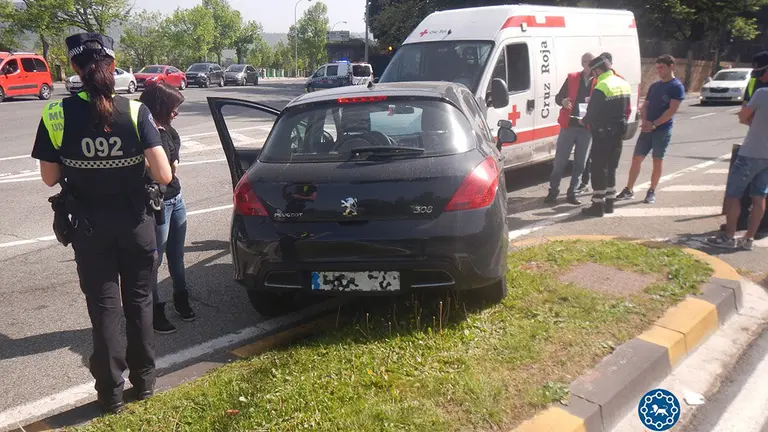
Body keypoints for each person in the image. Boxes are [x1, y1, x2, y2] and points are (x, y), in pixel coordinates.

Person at [30, 33, 172, 414]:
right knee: (140, 301)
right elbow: (163, 175)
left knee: (104, 308)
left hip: (90, 228)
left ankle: (110, 395)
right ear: (111, 64)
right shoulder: (134, 110)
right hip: (136, 222)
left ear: (74, 68)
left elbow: (48, 178)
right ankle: (144, 384)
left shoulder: (55, 114)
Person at [139, 83, 195, 334]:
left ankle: (181, 298)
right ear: (161, 106)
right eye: (174, 108)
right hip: (158, 202)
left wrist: (168, 168)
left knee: (177, 255)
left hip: (176, 198)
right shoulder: (146, 132)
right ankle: (154, 310)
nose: (176, 113)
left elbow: (172, 167)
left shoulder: (168, 131)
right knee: (154, 260)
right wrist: (167, 168)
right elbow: (159, 171)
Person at [615, 55, 684, 204]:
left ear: (671, 67)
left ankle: (651, 191)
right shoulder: (655, 86)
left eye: (661, 68)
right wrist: (645, 121)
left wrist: (655, 124)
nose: (658, 71)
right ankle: (629, 189)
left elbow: (672, 110)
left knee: (657, 160)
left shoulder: (676, 87)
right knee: (636, 159)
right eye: (657, 68)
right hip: (647, 129)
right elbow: (645, 105)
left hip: (662, 130)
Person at [708, 87, 768, 250]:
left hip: (751, 152)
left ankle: (729, 236)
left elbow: (742, 117)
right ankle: (749, 238)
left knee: (733, 195)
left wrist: (752, 119)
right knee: (759, 196)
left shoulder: (762, 93)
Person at [579, 54, 632, 217]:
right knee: (611, 168)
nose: (592, 74)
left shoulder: (602, 85)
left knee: (598, 168)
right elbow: (627, 109)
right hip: (618, 132)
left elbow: (592, 112)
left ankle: (597, 205)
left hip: (602, 133)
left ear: (597, 70)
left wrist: (583, 121)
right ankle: (609, 203)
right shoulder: (623, 83)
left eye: (593, 71)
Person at [545, 52, 595, 205]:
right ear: (582, 63)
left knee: (580, 162)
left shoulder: (599, 80)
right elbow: (558, 97)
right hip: (569, 125)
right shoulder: (573, 78)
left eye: (592, 62)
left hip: (586, 128)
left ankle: (572, 192)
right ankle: (553, 191)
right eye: (587, 62)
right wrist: (564, 100)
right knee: (560, 161)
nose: (589, 65)